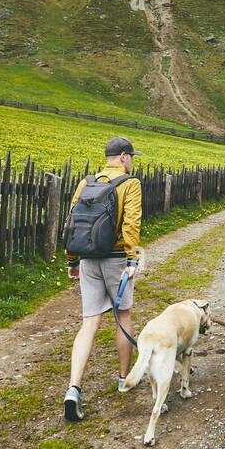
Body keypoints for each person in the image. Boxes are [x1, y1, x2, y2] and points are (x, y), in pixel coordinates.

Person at [63, 136, 144, 421]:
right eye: (131, 156)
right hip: (116, 259)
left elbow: (72, 221)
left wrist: (73, 260)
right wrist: (132, 260)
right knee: (123, 315)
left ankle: (74, 388)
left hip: (87, 258)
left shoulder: (86, 183)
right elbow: (131, 224)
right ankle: (124, 379)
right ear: (123, 157)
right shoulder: (130, 183)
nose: (132, 160)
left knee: (89, 324)